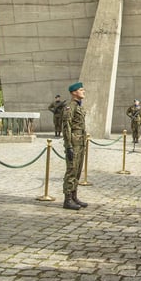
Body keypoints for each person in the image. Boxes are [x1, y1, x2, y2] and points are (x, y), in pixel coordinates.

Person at [61, 82, 88, 210]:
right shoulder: (70, 107)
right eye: (81, 90)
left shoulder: (79, 106)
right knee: (71, 170)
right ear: (74, 92)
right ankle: (67, 200)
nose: (83, 91)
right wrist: (68, 146)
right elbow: (67, 127)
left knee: (77, 170)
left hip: (81, 143)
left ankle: (74, 196)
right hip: (74, 143)